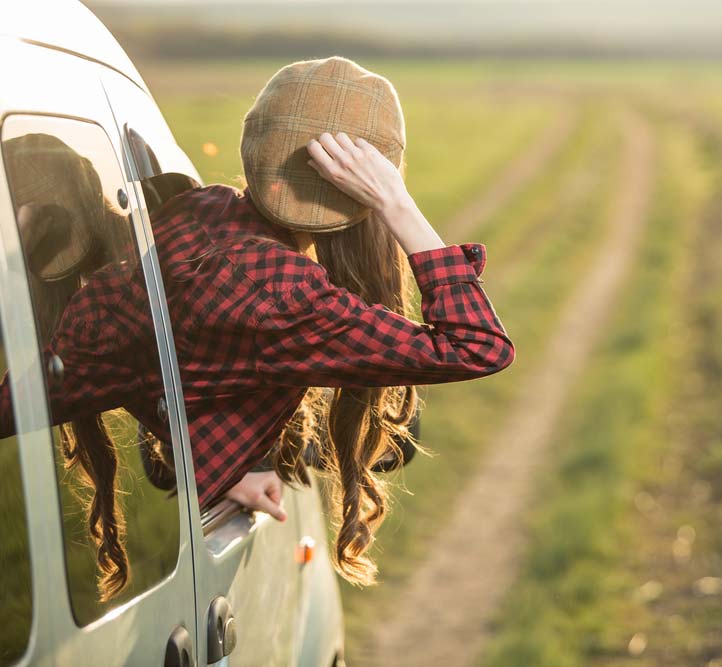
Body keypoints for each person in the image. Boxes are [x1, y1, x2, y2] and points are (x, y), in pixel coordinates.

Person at [0, 56, 514, 596]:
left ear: (254, 147)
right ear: (360, 186)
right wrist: (397, 204)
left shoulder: (199, 210)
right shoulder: (281, 292)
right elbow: (476, 346)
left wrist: (225, 460)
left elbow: (155, 359)